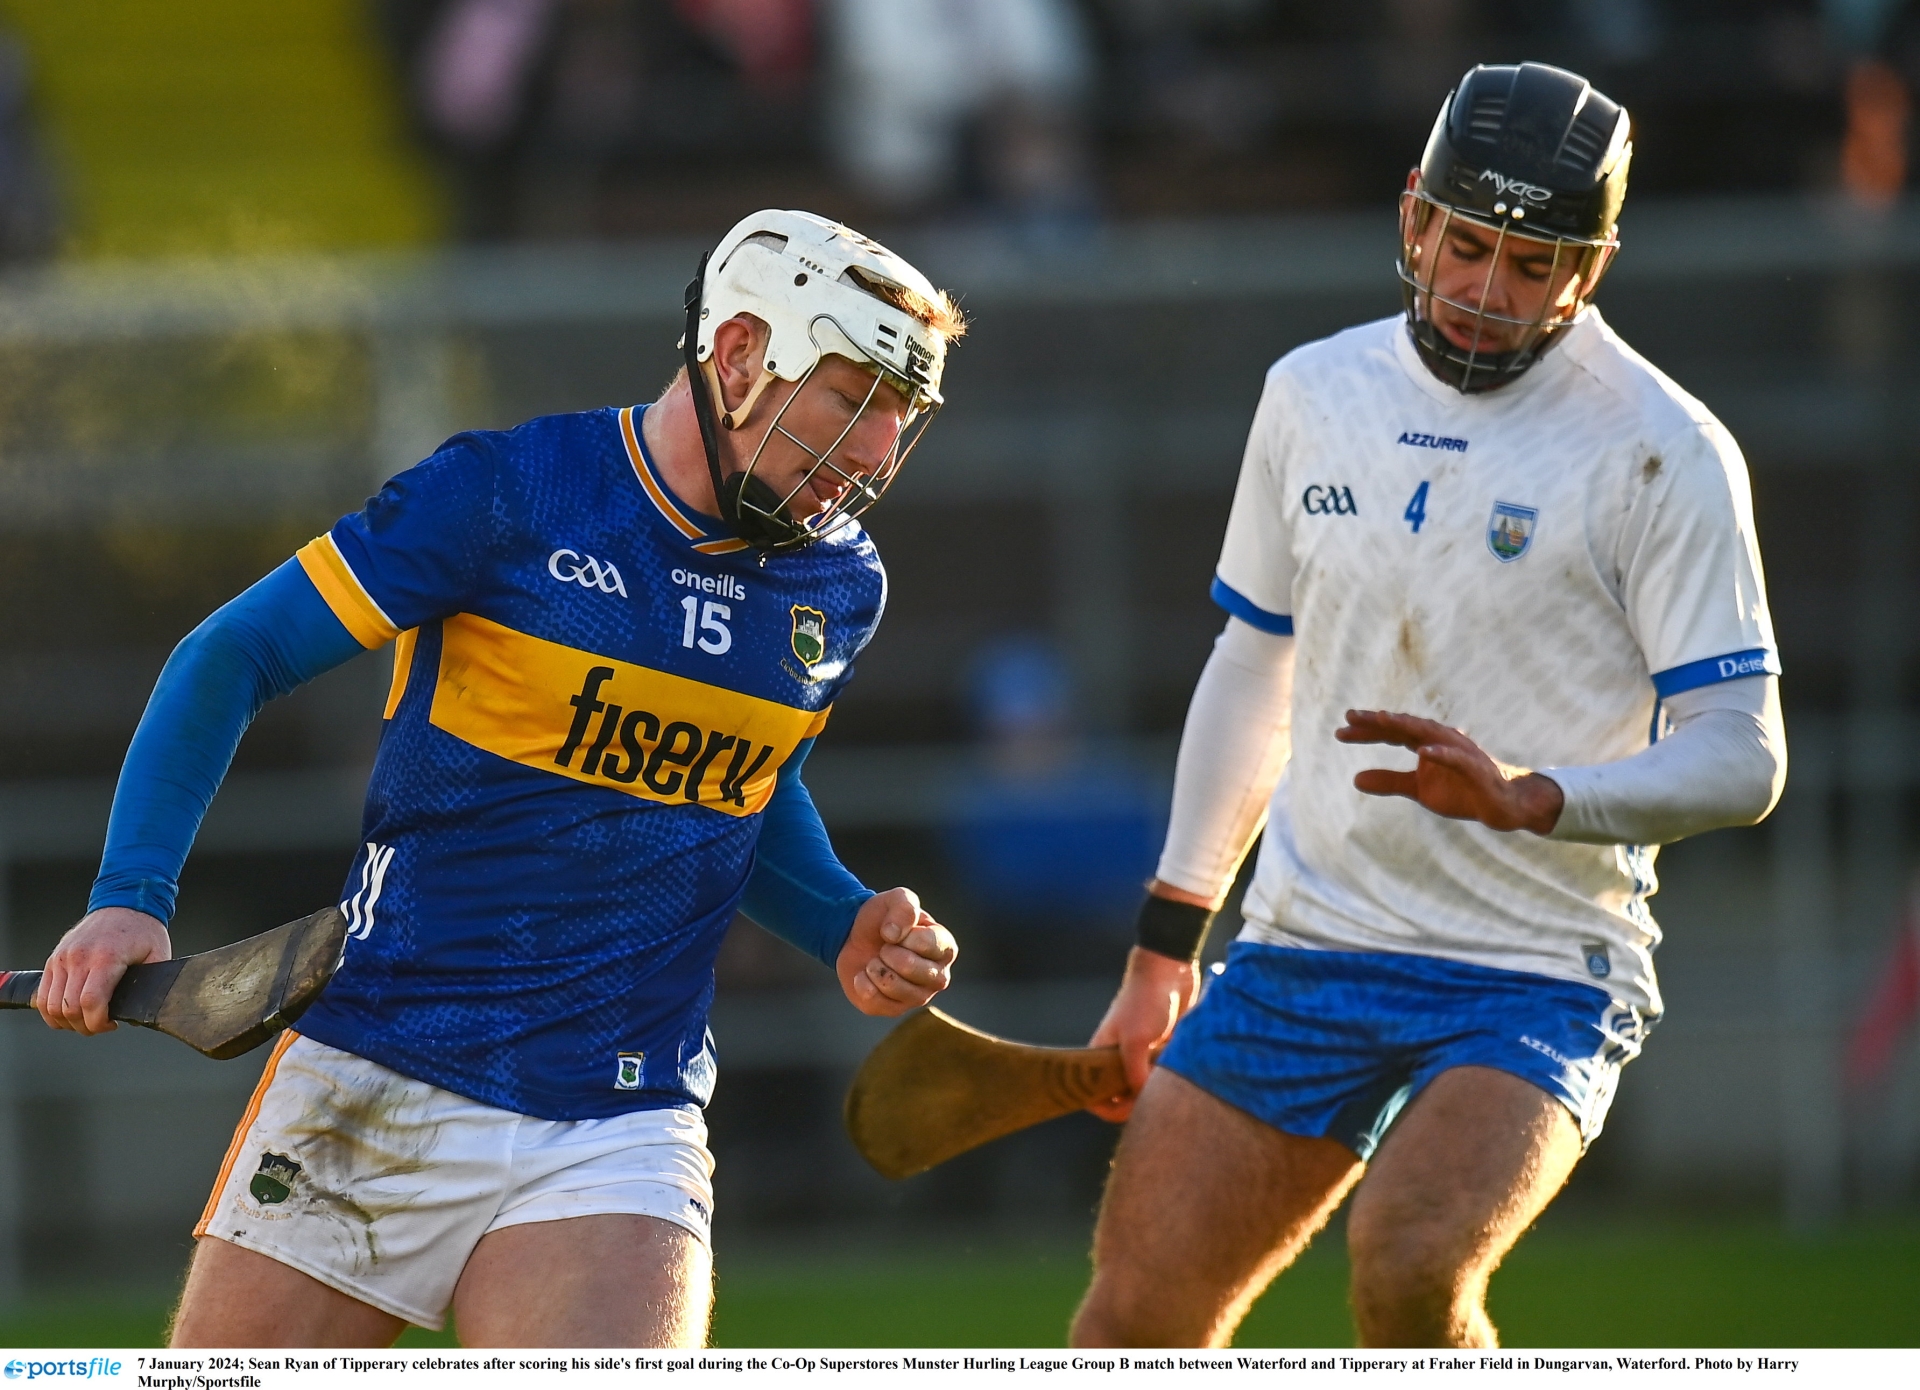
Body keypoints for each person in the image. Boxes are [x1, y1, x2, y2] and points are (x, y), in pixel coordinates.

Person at [32, 210, 965, 1348]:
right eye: (854, 397)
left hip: (622, 1111)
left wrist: (839, 918)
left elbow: (746, 791)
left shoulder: (838, 584)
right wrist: (131, 895)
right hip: (384, 1068)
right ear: (737, 356)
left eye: (900, 415)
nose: (876, 451)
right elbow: (233, 655)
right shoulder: (509, 493)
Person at [1071, 63, 1788, 1349]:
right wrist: (1164, 946)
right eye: (1465, 245)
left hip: (1533, 967)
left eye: (1534, 264)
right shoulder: (1311, 392)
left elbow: (1744, 752)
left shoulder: (1666, 450)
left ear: (1592, 269)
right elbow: (1255, 665)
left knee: (1407, 1268)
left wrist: (1539, 797)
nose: (1485, 291)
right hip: (1307, 943)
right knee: (1131, 1325)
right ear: (1413, 215)